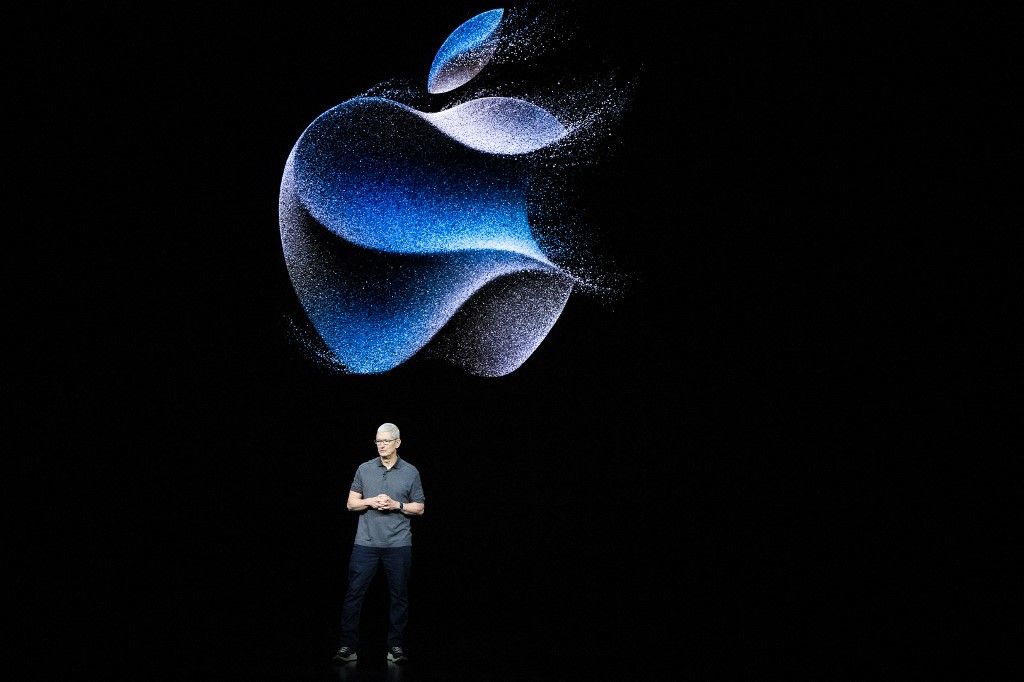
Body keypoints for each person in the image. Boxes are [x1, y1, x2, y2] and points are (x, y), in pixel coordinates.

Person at [333, 423, 425, 665]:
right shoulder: (364, 469)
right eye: (378, 441)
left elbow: (420, 507)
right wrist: (372, 501)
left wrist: (397, 505)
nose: (381, 445)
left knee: (399, 596)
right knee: (354, 594)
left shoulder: (411, 472)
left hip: (398, 544)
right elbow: (351, 504)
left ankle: (395, 646)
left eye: (386, 441)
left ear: (397, 442)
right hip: (366, 543)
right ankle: (348, 646)